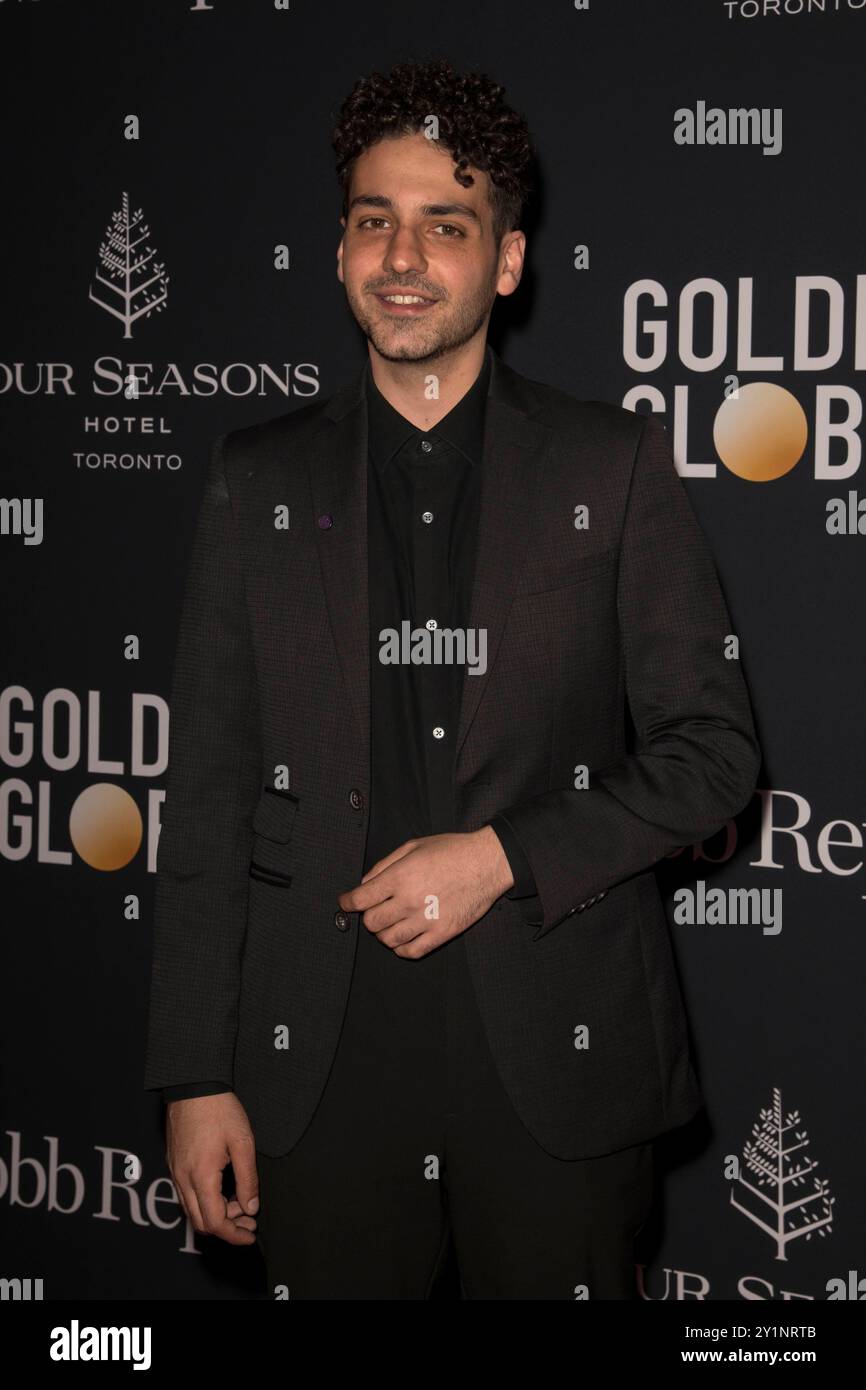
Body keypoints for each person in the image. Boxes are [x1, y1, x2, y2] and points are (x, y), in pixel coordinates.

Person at [144, 57, 761, 1300]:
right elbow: (206, 792)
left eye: (445, 225)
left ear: (509, 261)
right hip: (315, 1063)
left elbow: (713, 755)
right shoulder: (251, 478)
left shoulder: (616, 463)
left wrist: (497, 857)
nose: (404, 257)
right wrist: (195, 1074)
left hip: (555, 1055)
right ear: (337, 254)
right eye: (374, 222)